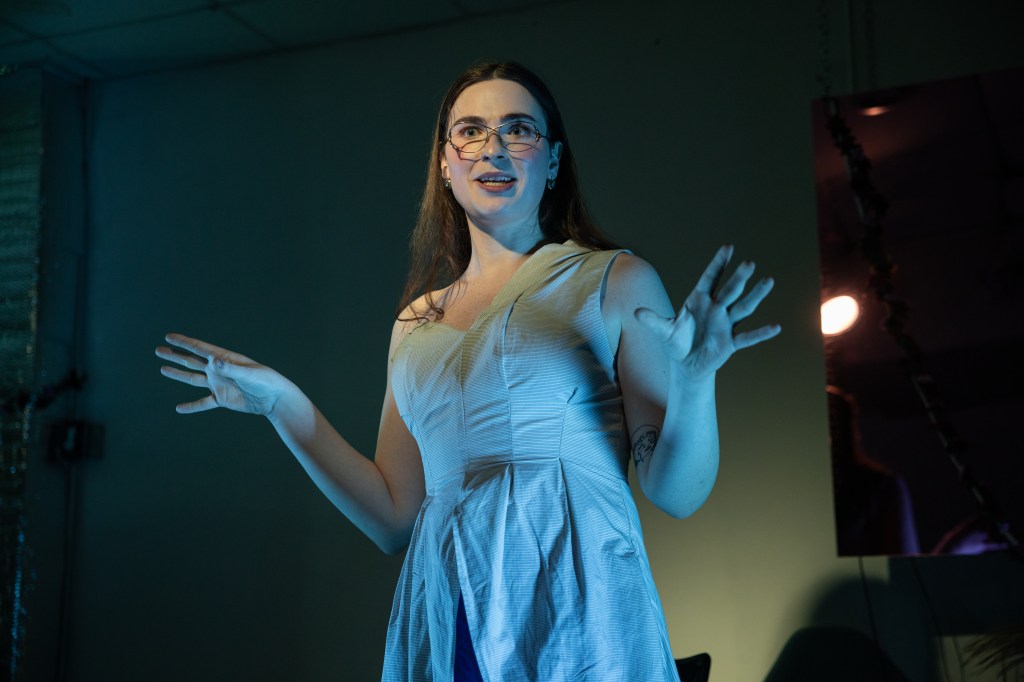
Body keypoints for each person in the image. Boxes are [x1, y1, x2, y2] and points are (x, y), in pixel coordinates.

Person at [156, 61, 780, 681]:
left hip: (573, 605)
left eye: (519, 129)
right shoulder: (414, 325)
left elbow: (677, 493)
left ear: (553, 161)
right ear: (445, 165)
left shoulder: (613, 279)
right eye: (471, 131)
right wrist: (283, 406)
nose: (494, 148)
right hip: (450, 606)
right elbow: (394, 517)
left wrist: (695, 382)